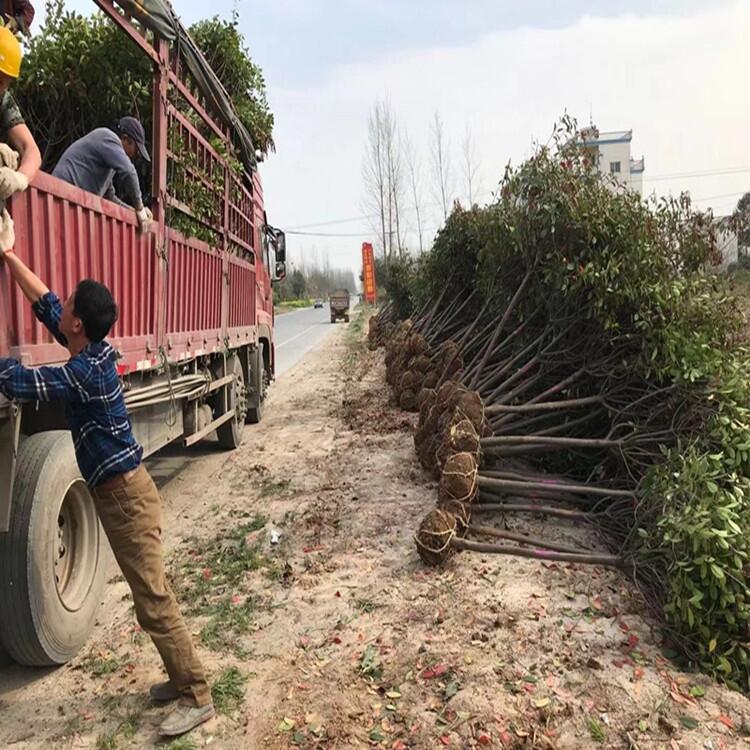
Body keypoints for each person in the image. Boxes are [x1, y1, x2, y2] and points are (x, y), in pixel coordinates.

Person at [0, 211, 213, 738]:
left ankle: (197, 694)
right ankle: (180, 677)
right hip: (125, 491)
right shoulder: (88, 347)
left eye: (69, 305)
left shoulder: (82, 374)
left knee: (152, 598)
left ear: (78, 326)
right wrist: (7, 254)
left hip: (125, 498)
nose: (62, 304)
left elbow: (22, 383)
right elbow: (45, 300)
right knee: (150, 596)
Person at [53, 117, 153, 233]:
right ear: (125, 139)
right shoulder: (108, 138)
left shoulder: (107, 162)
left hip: (68, 203)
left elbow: (109, 197)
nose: (136, 156)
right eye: (136, 151)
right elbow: (129, 172)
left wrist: (132, 212)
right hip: (59, 197)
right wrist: (139, 207)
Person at [0, 24, 41, 200]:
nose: (1, 87)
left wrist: (19, 178)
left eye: (5, 82)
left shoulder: (3, 99)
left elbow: (31, 149)